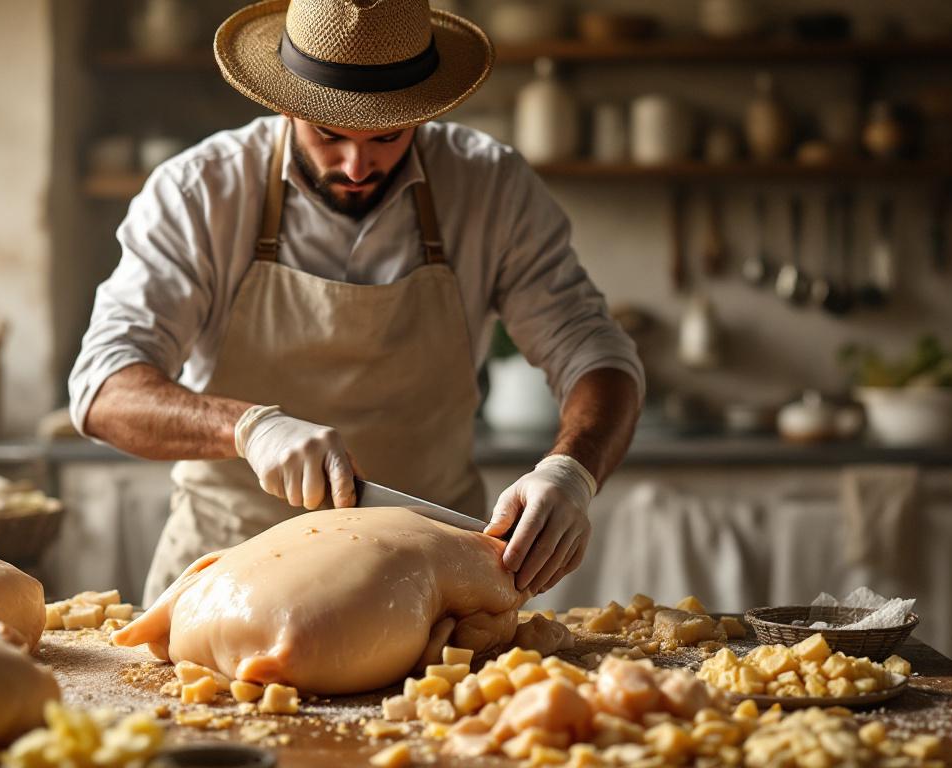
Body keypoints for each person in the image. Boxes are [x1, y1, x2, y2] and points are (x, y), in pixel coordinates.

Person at [69, 0, 644, 605]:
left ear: (423, 111)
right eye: (329, 133)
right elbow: (104, 390)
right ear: (286, 103)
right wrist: (248, 428)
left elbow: (596, 355)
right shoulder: (200, 192)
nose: (357, 165)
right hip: (225, 575)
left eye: (388, 135)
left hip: (431, 576)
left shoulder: (490, 189)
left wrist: (570, 472)